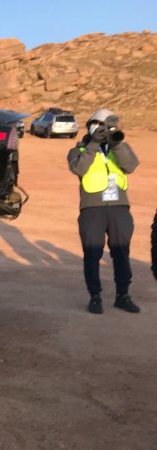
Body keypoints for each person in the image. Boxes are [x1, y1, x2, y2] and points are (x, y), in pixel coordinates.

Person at [67, 108, 140, 314]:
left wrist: (115, 143)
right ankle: (95, 296)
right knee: (92, 254)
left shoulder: (119, 146)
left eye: (105, 125)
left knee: (121, 252)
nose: (101, 129)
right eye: (97, 124)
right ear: (90, 125)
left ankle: (123, 295)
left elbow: (130, 165)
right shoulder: (79, 149)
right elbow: (79, 169)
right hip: (92, 209)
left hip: (119, 208)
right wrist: (94, 144)